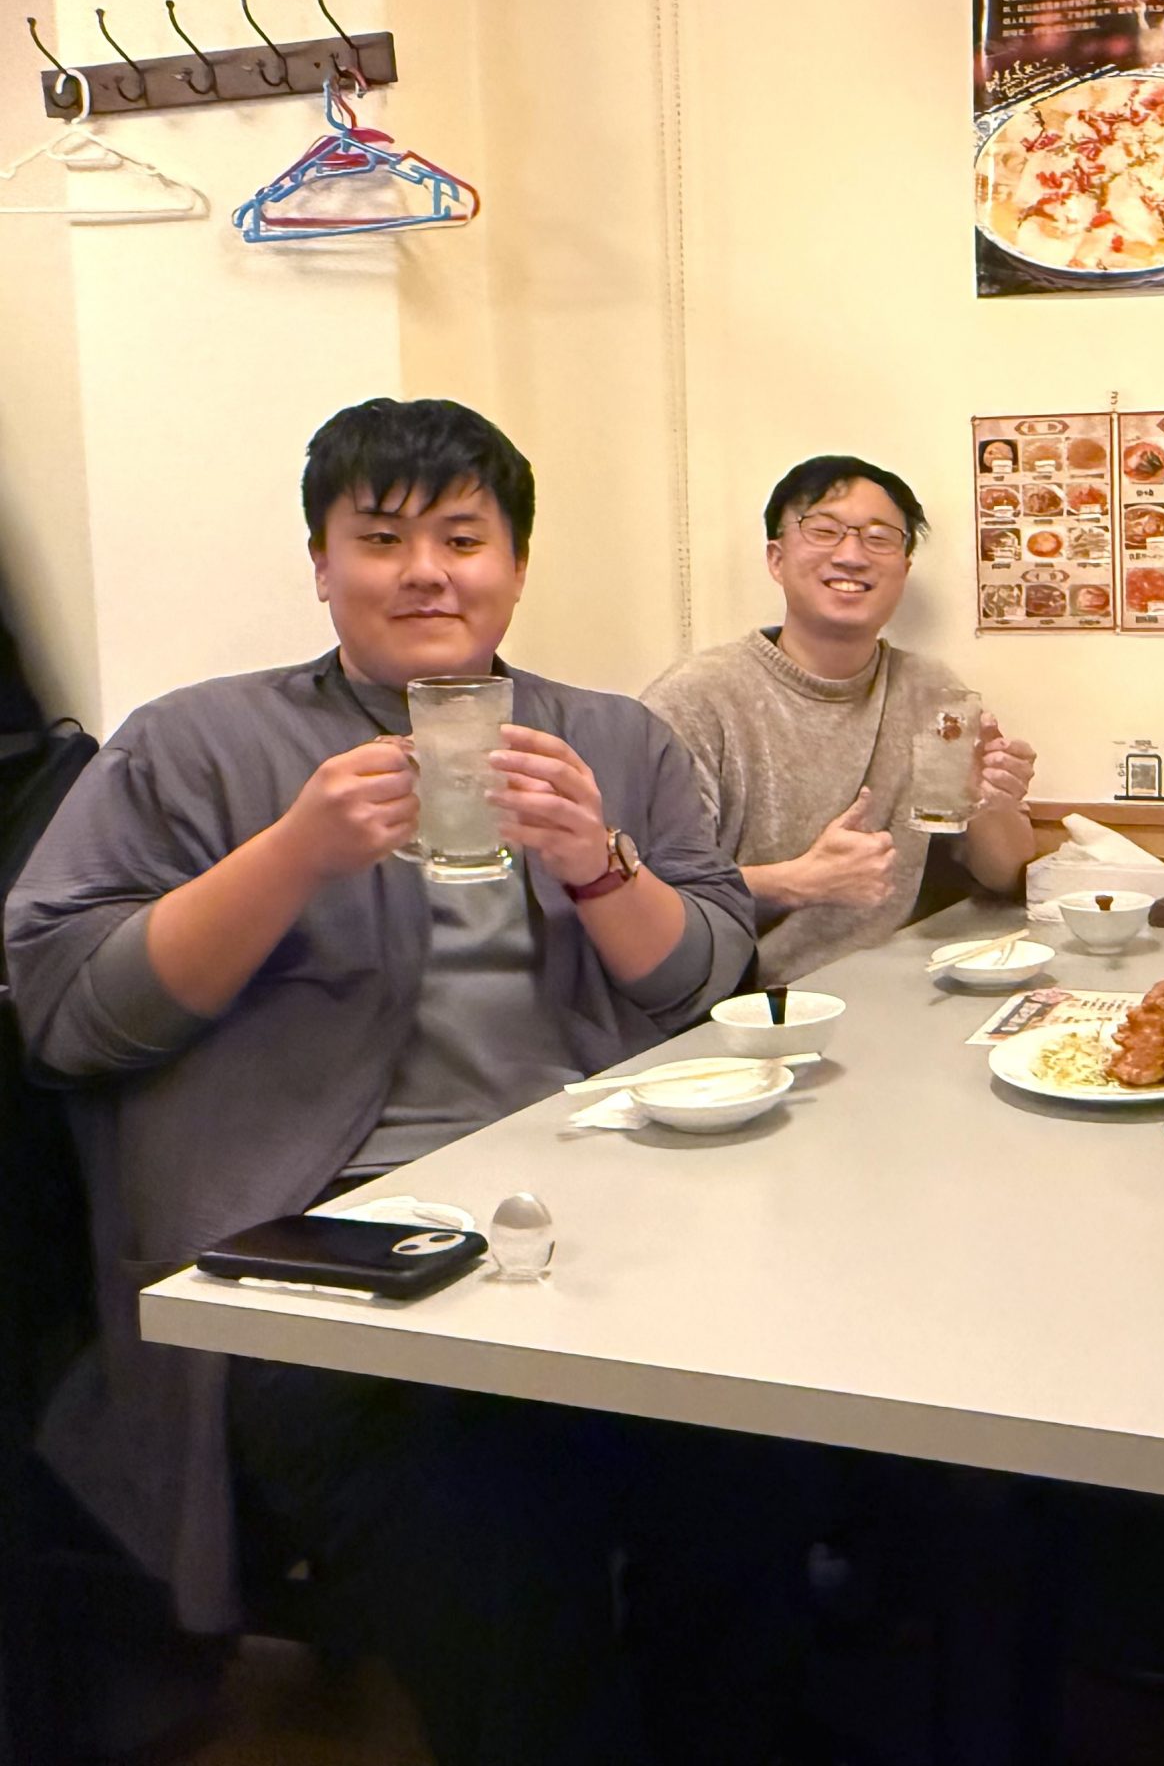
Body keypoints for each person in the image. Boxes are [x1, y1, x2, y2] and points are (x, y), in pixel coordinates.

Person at [6, 399, 821, 1764]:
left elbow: (700, 979)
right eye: (381, 539)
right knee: (496, 1523)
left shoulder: (612, 740)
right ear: (321, 565)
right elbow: (71, 1014)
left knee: (757, 1461)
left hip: (600, 1222)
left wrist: (596, 861)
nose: (427, 572)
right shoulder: (193, 741)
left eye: (463, 537)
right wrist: (292, 854)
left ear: (517, 563)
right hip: (320, 1253)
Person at [643, 454, 1038, 985]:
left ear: (904, 568)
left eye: (879, 538)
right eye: (824, 531)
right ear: (777, 559)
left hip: (900, 987)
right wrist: (796, 882)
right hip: (747, 1001)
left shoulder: (931, 690)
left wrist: (995, 802)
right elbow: (644, 890)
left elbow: (1005, 875)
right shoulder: (699, 697)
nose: (851, 555)